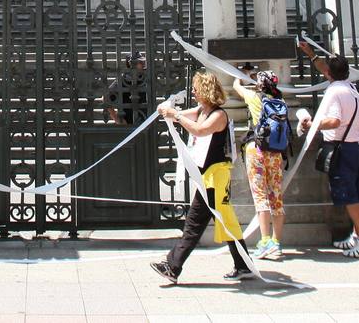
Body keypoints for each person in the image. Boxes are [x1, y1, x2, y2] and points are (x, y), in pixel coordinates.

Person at [150, 71, 251, 284]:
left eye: (196, 89)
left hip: (216, 178)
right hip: (208, 177)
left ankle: (173, 266)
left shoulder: (218, 115)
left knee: (195, 223)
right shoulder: (201, 110)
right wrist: (167, 110)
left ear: (205, 90)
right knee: (226, 222)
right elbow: (182, 116)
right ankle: (243, 264)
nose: (193, 92)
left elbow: (199, 130)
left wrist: (176, 115)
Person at [296, 41, 359, 258]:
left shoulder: (334, 92)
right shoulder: (350, 88)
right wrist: (311, 53)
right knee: (356, 194)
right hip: (356, 147)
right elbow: (326, 69)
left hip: (342, 149)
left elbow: (334, 121)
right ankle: (358, 235)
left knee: (348, 195)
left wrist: (312, 124)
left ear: (330, 74)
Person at [232, 70, 286, 260]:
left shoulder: (254, 98)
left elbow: (236, 86)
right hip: (276, 152)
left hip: (257, 150)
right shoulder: (280, 101)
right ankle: (276, 242)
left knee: (260, 195)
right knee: (276, 195)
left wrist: (242, 75)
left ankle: (264, 241)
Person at [105, 52, 148, 125]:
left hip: (145, 122)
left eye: (143, 62)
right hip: (129, 124)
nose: (143, 64)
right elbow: (106, 97)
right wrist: (117, 118)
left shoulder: (144, 77)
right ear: (131, 64)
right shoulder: (124, 80)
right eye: (140, 62)